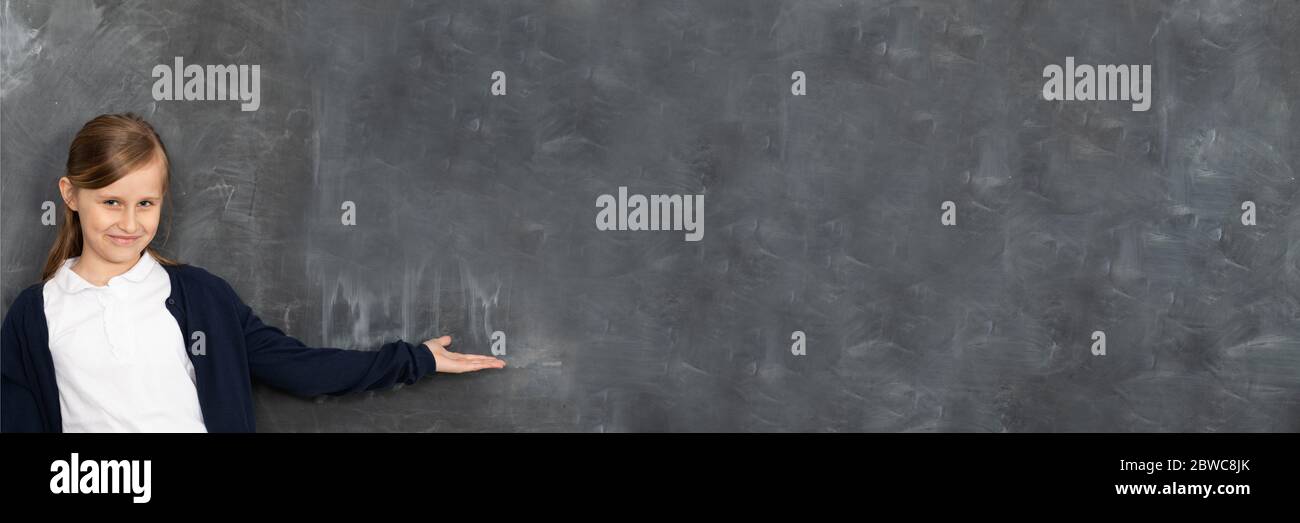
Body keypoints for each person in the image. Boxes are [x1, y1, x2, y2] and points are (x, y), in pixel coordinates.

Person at [1, 113, 505, 432]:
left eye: (146, 203)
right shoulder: (35, 314)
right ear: (71, 195)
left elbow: (300, 368)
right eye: (111, 202)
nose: (130, 223)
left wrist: (413, 360)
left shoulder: (202, 298)